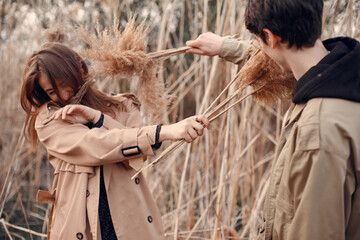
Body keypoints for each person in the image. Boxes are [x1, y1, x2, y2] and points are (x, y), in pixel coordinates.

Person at [186, 0, 360, 239]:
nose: (258, 48)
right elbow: (281, 64)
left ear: (269, 36)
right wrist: (224, 47)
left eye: (258, 40)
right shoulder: (341, 77)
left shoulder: (318, 130)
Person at [20, 42, 210, 240]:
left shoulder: (123, 106)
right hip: (81, 228)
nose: (63, 96)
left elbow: (136, 159)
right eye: (51, 91)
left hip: (130, 224)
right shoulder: (49, 120)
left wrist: (98, 118)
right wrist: (164, 132)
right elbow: (93, 145)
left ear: (77, 71)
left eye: (64, 84)